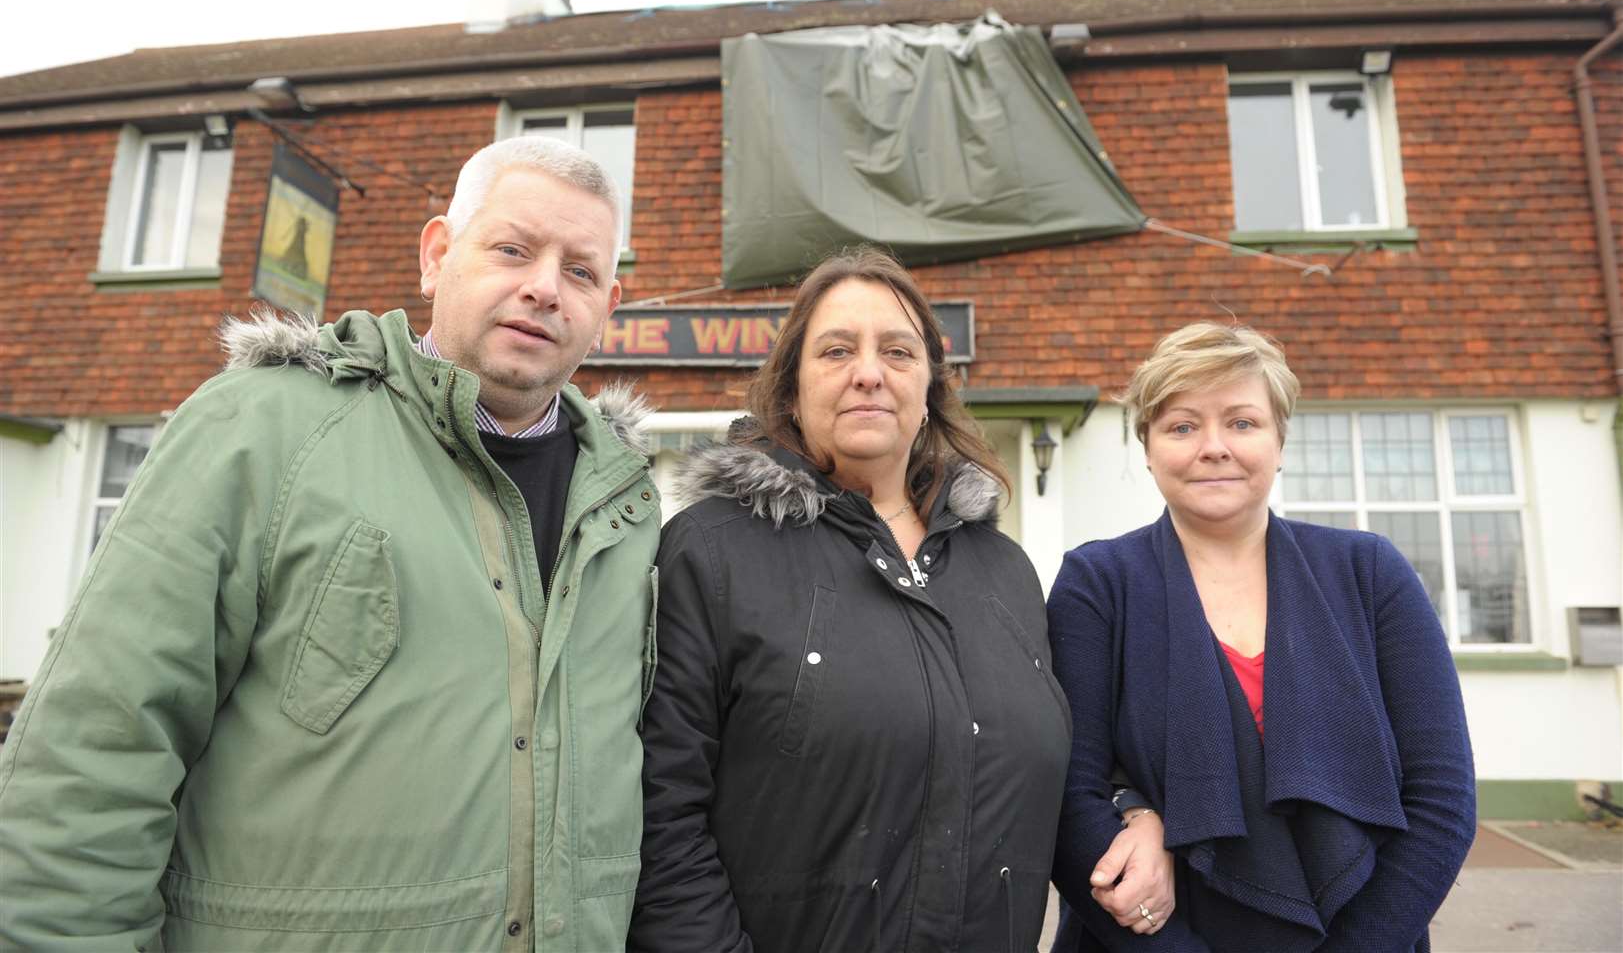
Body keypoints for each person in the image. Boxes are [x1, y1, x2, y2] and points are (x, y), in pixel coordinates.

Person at [0, 137, 661, 950]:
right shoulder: (262, 430)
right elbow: (99, 743)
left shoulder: (627, 506)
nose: (543, 288)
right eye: (513, 249)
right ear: (436, 255)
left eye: (580, 271)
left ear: (609, 305)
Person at [630, 248, 1157, 953]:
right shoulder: (711, 550)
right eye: (837, 350)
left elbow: (1058, 774)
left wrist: (1134, 814)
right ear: (790, 389)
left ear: (930, 389)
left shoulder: (1002, 572)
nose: (869, 373)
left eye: (898, 352)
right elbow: (659, 815)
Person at [1047, 322, 1476, 952]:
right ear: (1148, 448)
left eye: (1242, 423)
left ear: (1280, 440)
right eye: (1182, 426)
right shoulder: (1097, 583)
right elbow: (1065, 795)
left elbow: (1442, 799)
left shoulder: (1369, 573)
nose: (1213, 447)